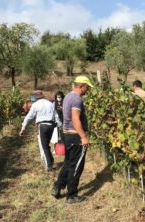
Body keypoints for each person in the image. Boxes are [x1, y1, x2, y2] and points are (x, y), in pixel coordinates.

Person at [51, 76, 93, 204]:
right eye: (87, 87)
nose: (88, 90)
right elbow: (75, 119)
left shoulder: (68, 96)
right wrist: (83, 137)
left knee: (68, 162)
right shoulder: (77, 99)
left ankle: (58, 186)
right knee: (76, 165)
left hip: (67, 134)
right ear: (81, 86)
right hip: (75, 136)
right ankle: (72, 195)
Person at [19, 90, 62, 171]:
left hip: (43, 126)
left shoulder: (35, 105)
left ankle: (49, 165)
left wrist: (23, 128)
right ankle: (51, 160)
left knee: (44, 146)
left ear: (35, 97)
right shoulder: (50, 103)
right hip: (51, 125)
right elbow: (56, 116)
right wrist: (60, 127)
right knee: (47, 144)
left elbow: (29, 117)